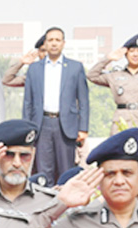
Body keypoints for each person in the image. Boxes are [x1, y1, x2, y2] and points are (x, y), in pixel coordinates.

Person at [23, 27, 89, 185]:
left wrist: (83, 128)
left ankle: (67, 208)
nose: (54, 44)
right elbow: (28, 102)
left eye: (57, 40)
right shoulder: (34, 68)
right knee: (44, 173)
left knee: (66, 171)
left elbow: (84, 100)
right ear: (45, 43)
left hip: (65, 125)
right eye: (50, 40)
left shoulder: (75, 67)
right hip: (42, 124)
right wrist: (26, 129)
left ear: (63, 43)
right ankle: (46, 206)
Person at [88, 34, 138, 134]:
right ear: (126, 54)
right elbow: (91, 75)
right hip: (121, 121)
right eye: (132, 51)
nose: (135, 55)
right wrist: (109, 58)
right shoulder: (115, 75)